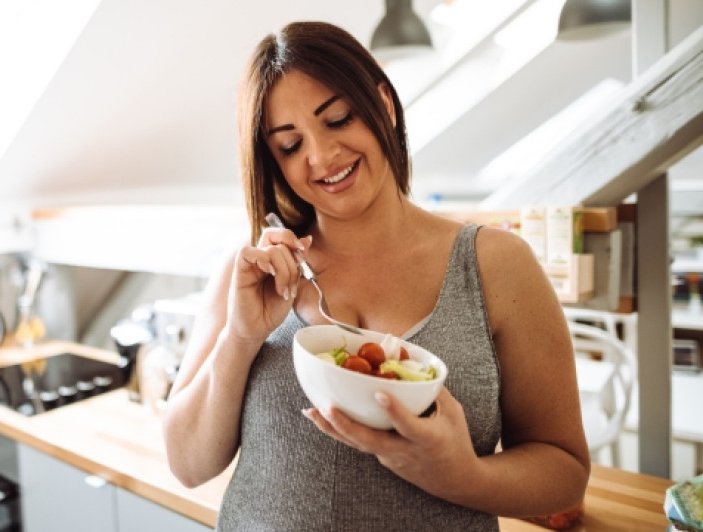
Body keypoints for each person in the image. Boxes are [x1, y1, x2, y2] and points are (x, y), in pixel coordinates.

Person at [161, 20, 590, 531]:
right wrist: (242, 336)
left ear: (383, 105)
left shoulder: (496, 265)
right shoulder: (252, 273)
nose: (321, 157)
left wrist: (459, 476)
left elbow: (564, 471)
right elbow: (188, 465)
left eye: (338, 119)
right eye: (290, 145)